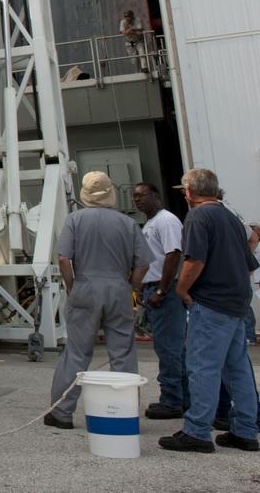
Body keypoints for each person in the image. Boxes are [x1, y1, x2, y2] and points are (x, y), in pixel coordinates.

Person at [160, 168, 260, 453]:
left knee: (203, 366)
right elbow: (249, 259)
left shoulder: (198, 216)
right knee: (238, 369)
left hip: (212, 302)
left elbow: (195, 261)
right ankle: (245, 430)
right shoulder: (230, 216)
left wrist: (181, 289)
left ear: (189, 192)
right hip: (236, 302)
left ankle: (197, 431)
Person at [45, 171, 153, 429]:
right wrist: (130, 287)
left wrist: (72, 285)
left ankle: (62, 412)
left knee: (78, 353)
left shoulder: (74, 220)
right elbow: (144, 263)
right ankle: (125, 412)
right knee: (123, 353)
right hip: (118, 287)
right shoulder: (127, 223)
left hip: (85, 286)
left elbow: (63, 258)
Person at [134, 182, 188, 419]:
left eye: (141, 195)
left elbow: (173, 254)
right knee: (171, 348)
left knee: (168, 348)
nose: (137, 200)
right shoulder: (151, 223)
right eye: (134, 196)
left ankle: (172, 401)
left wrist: (162, 291)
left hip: (162, 291)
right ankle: (184, 397)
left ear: (156, 196)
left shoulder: (166, 221)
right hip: (153, 290)